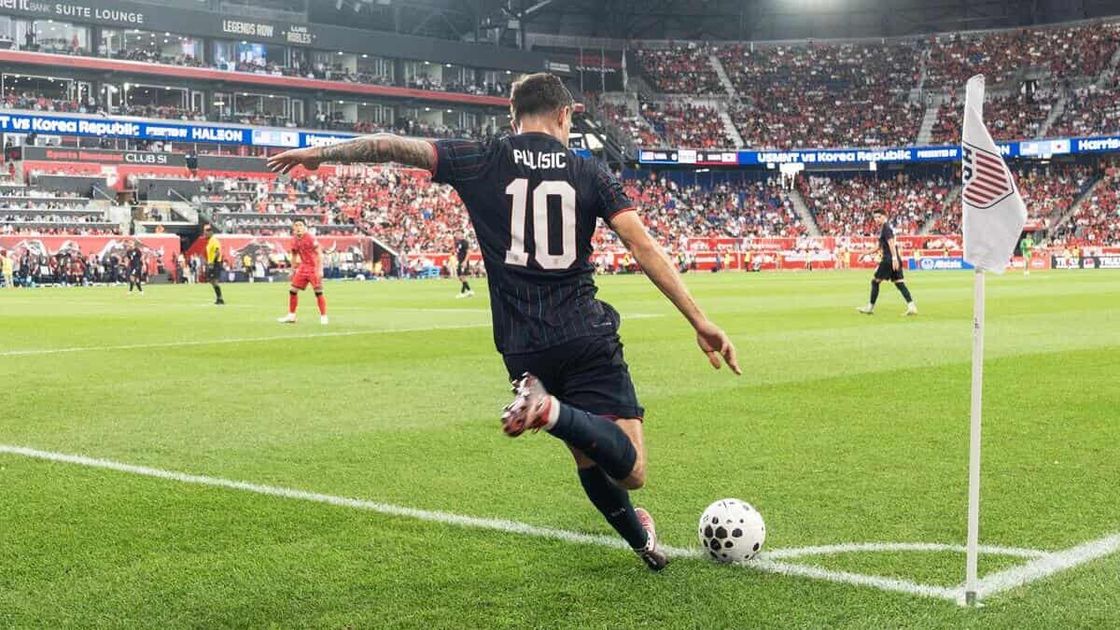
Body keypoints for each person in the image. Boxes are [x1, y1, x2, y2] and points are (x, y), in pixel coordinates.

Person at [267, 72, 740, 572]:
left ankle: (642, 543)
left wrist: (322, 154)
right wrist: (699, 320)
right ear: (565, 115)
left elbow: (390, 146)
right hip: (583, 332)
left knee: (586, 451)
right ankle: (550, 411)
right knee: (632, 469)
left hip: (522, 348)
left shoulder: (482, 157)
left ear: (513, 117)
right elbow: (641, 245)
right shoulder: (589, 173)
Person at [858, 210, 917, 316]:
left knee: (875, 282)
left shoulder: (886, 228)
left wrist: (893, 258)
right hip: (894, 258)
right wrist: (865, 253)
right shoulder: (885, 228)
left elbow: (891, 243)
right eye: (875, 217)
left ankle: (870, 308)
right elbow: (878, 247)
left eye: (878, 217)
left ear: (884, 217)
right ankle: (911, 307)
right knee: (899, 283)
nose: (876, 219)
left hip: (888, 259)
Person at [277, 219, 328, 325]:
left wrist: (320, 269)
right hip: (303, 267)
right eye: (296, 225)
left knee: (318, 292)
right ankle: (291, 316)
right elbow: (294, 255)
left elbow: (319, 253)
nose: (298, 227)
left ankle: (323, 316)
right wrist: (292, 270)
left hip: (314, 267)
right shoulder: (294, 240)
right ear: (293, 228)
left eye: (300, 225)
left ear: (305, 227)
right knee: (292, 290)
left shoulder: (310, 238)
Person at [203, 224, 225, 305]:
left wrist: (213, 262)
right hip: (211, 263)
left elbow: (217, 252)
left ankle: (220, 298)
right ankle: (219, 298)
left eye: (205, 233)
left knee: (214, 281)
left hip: (215, 263)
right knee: (211, 280)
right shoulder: (210, 241)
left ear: (210, 232)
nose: (205, 235)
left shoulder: (214, 240)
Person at [454, 233, 474, 298]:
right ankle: (466, 292)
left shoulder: (465, 242)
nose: (456, 236)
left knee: (462, 277)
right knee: (460, 277)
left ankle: (467, 291)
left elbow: (468, 252)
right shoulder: (458, 243)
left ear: (461, 235)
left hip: (463, 262)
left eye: (457, 235)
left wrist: (465, 261)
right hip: (460, 261)